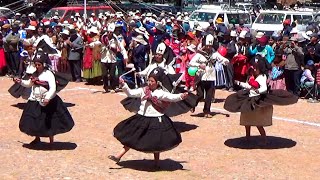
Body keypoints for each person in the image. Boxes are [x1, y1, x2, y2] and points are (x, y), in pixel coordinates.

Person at [108, 70, 188, 169]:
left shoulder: (161, 93)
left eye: (152, 81)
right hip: (142, 118)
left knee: (156, 142)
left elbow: (171, 97)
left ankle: (157, 163)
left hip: (156, 119)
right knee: (132, 137)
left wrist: (181, 96)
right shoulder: (143, 90)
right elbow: (130, 93)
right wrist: (124, 84)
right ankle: (118, 156)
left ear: (157, 82)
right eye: (148, 80)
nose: (149, 83)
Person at [224, 58, 298, 145]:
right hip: (250, 99)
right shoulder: (252, 77)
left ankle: (264, 140)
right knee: (246, 121)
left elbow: (264, 88)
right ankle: (247, 138)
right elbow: (249, 86)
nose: (254, 69)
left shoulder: (262, 77)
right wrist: (239, 83)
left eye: (256, 68)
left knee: (258, 123)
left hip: (257, 101)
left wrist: (258, 91)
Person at [14, 50, 74, 145]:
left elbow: (53, 88)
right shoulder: (34, 73)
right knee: (35, 119)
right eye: (36, 65)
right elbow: (29, 84)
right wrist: (20, 81)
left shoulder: (48, 74)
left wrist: (48, 98)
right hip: (35, 99)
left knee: (50, 121)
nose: (37, 67)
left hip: (47, 101)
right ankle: (37, 138)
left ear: (43, 64)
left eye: (39, 65)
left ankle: (51, 141)